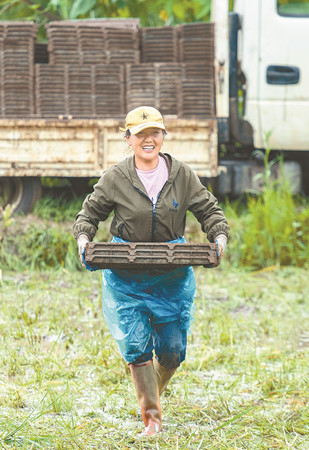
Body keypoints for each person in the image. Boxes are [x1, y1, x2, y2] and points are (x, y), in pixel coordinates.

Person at [72, 106, 230, 435]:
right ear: (128, 139)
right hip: (125, 277)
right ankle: (152, 417)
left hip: (170, 276)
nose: (148, 139)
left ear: (163, 137)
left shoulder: (181, 175)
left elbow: (208, 208)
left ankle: (151, 393)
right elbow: (89, 213)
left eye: (154, 133)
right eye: (140, 134)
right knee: (136, 348)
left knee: (172, 352)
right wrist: (84, 239)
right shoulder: (116, 177)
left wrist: (219, 236)